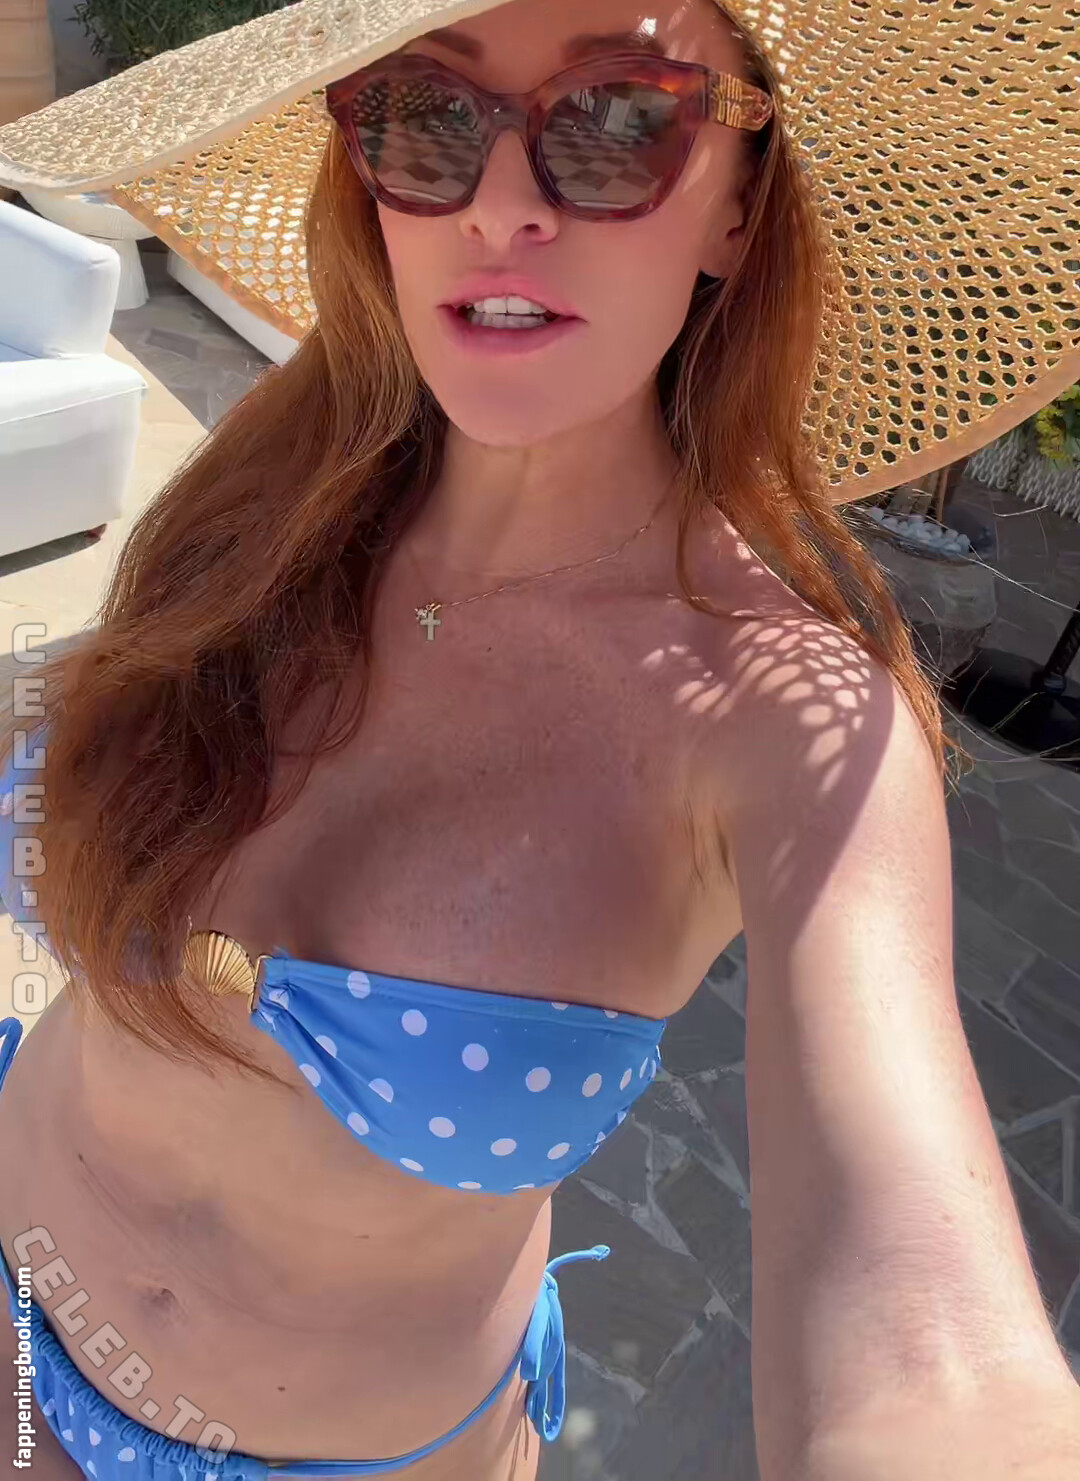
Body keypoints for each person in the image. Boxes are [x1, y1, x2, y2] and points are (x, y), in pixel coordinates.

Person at [1, 0, 1078, 1478]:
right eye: (426, 117)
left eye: (619, 118)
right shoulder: (257, 508)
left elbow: (927, 1344)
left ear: (741, 207)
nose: (500, 206)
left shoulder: (788, 721)